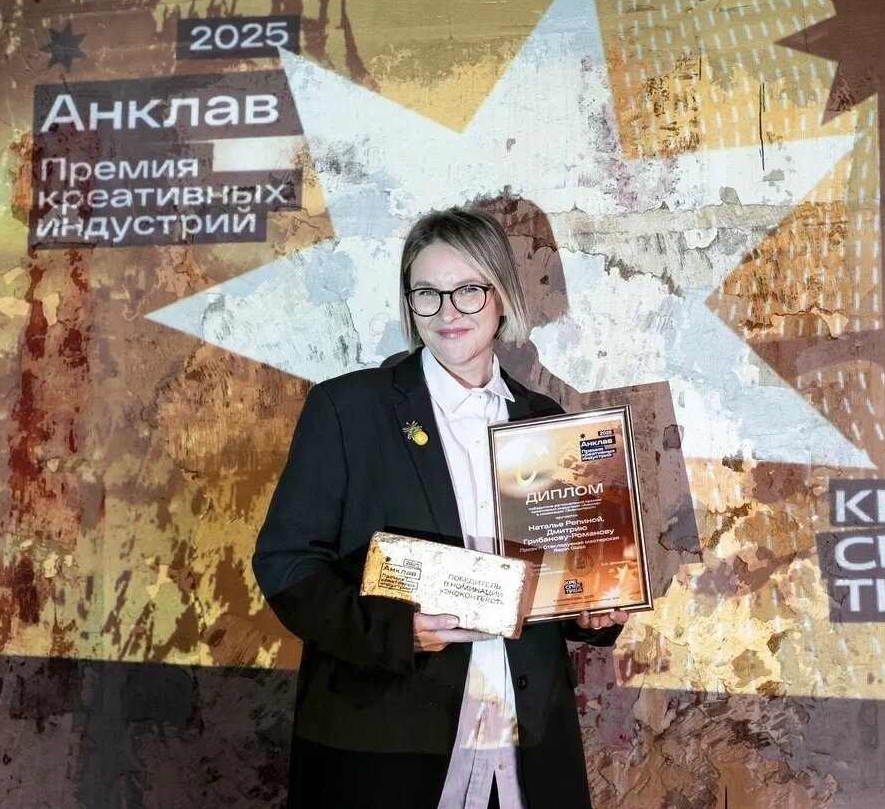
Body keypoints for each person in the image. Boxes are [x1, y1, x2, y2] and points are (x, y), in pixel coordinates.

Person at [253, 206, 627, 809]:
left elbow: (565, 580)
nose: (448, 312)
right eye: (427, 293)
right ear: (410, 304)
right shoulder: (347, 409)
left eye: (468, 290)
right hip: (384, 745)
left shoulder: (546, 422)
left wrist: (596, 611)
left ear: (501, 296)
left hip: (526, 743)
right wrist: (394, 631)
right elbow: (286, 563)